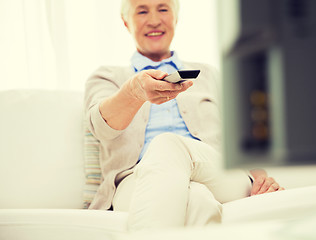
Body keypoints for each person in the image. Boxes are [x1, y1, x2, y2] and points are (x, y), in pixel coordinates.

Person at [84, 0, 283, 232]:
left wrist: (262, 179)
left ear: (176, 17)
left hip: (217, 173)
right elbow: (102, 128)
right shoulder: (106, 77)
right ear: (125, 21)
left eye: (163, 9)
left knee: (167, 144)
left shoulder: (209, 74)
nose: (154, 20)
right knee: (198, 200)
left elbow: (245, 135)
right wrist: (133, 92)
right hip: (134, 180)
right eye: (142, 11)